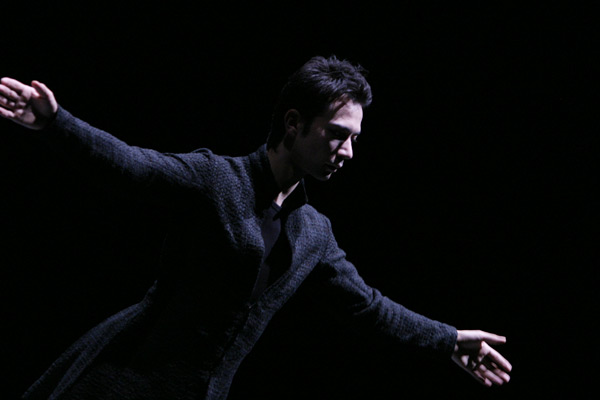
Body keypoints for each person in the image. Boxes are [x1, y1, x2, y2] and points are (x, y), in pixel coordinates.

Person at [0, 55, 512, 400]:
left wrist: (449, 339)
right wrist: (56, 124)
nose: (348, 152)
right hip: (126, 381)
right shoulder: (216, 179)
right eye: (337, 134)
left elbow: (369, 308)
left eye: (355, 138)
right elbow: (132, 166)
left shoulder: (313, 233)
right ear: (294, 124)